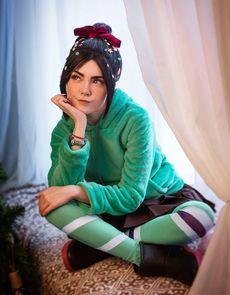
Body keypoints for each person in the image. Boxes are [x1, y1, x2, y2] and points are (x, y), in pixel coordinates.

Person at [38, 23, 215, 285]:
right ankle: (142, 254)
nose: (84, 90)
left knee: (202, 217)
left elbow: (132, 195)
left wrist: (77, 191)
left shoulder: (136, 119)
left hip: (157, 201)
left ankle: (100, 243)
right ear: (66, 79)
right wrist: (79, 128)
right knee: (52, 206)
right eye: (77, 77)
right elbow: (59, 189)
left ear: (110, 83)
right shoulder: (64, 129)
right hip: (108, 204)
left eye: (96, 80)